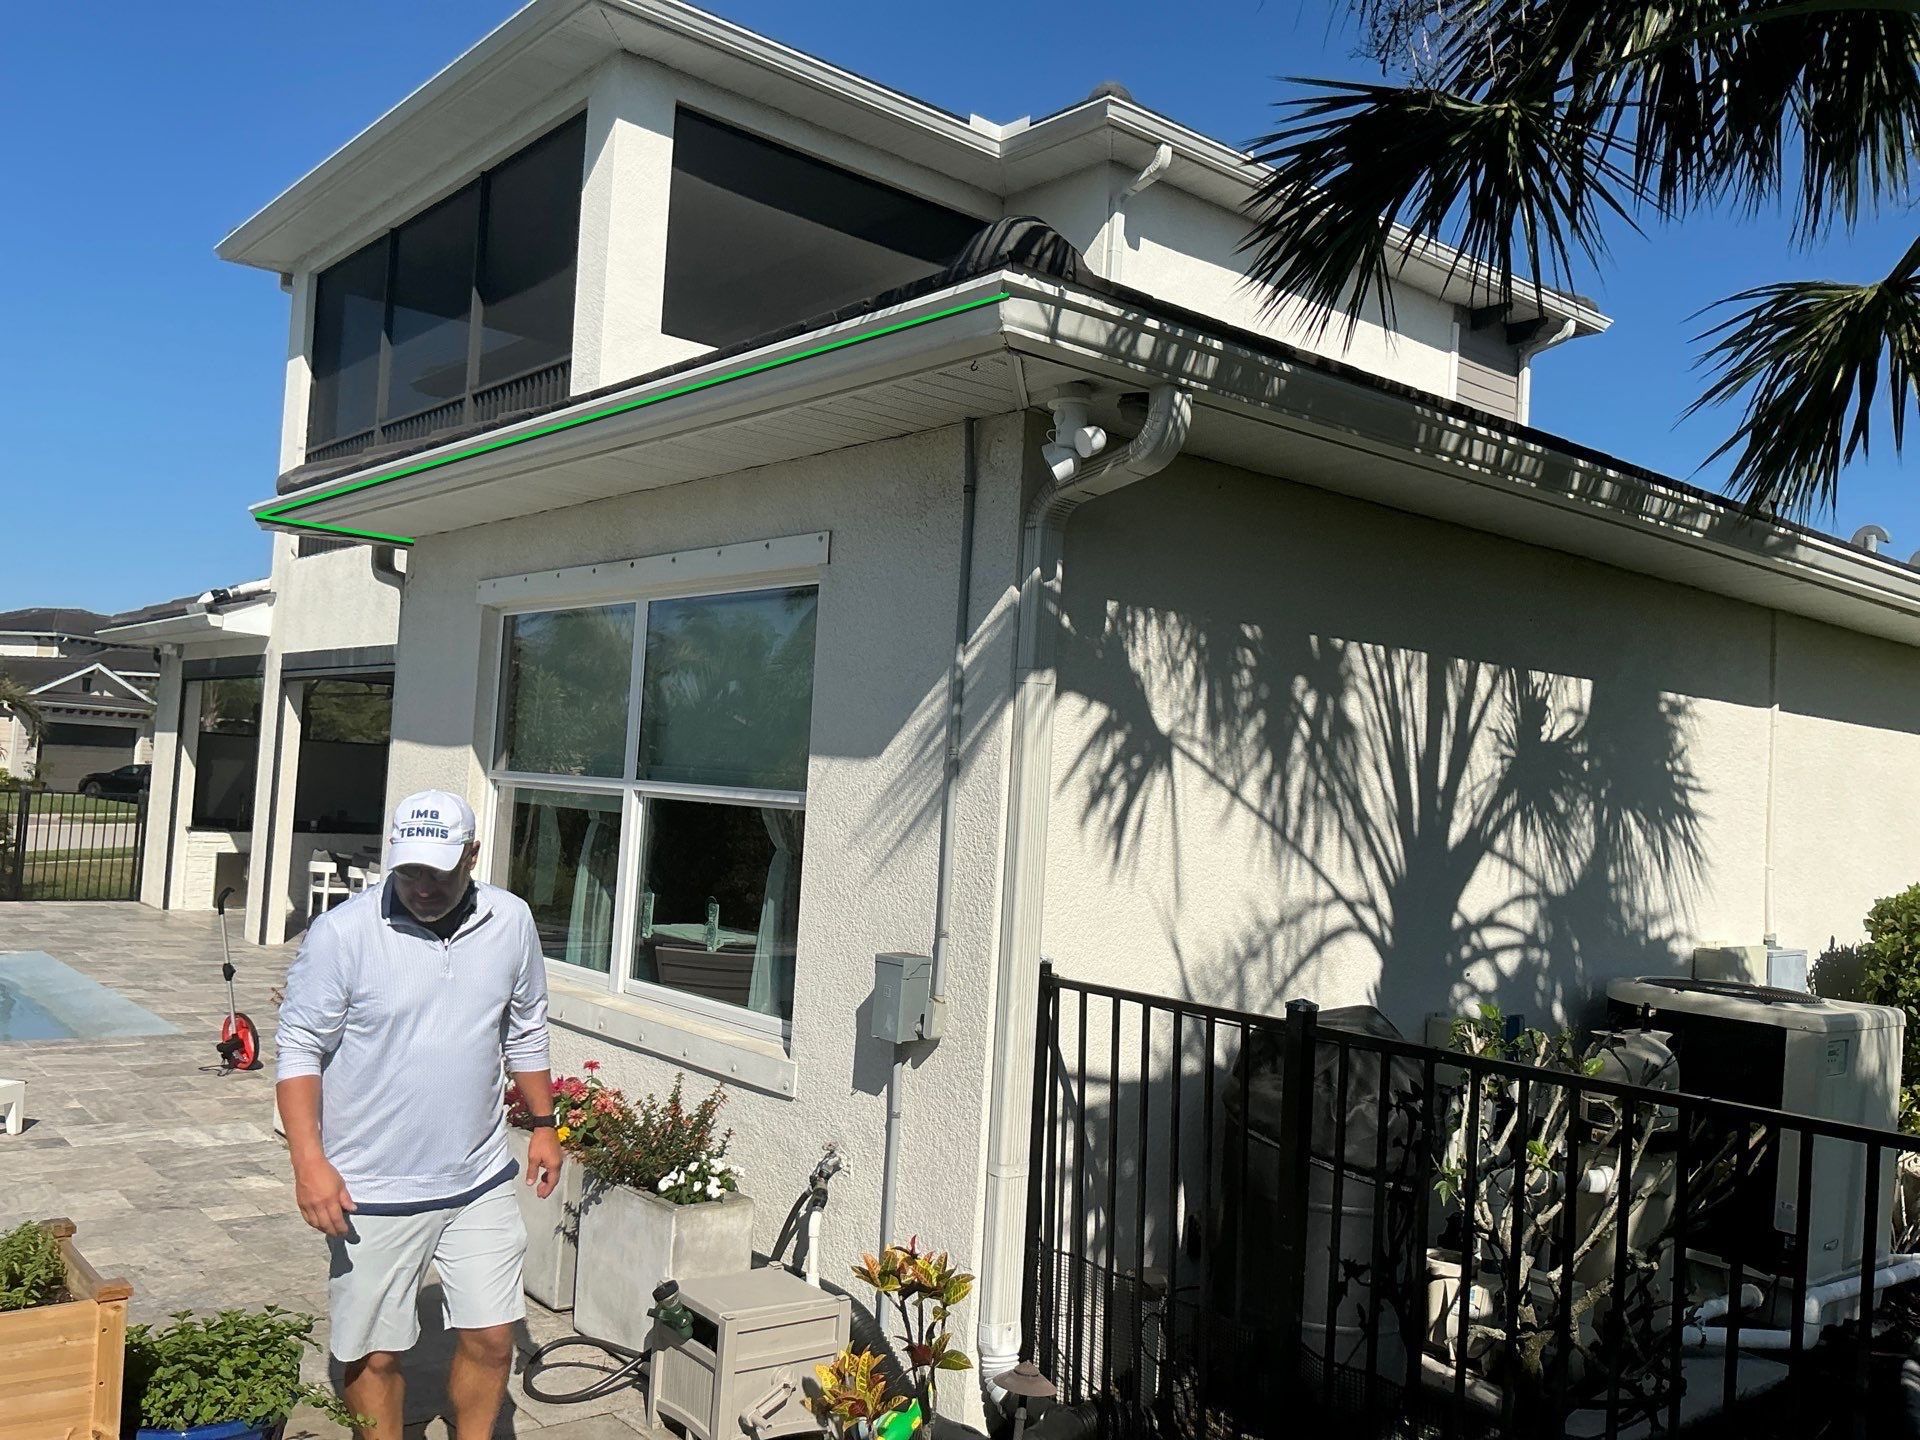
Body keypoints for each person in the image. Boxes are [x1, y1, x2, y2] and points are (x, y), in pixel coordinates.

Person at [276, 789, 563, 1440]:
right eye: (408, 869)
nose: (422, 886)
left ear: (472, 854)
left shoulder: (510, 922)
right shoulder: (343, 934)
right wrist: (308, 1162)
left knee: (492, 1339)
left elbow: (526, 1030)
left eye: (438, 870)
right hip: (371, 1189)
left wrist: (545, 1126)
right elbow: (299, 1049)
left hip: (479, 1177)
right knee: (375, 1355)